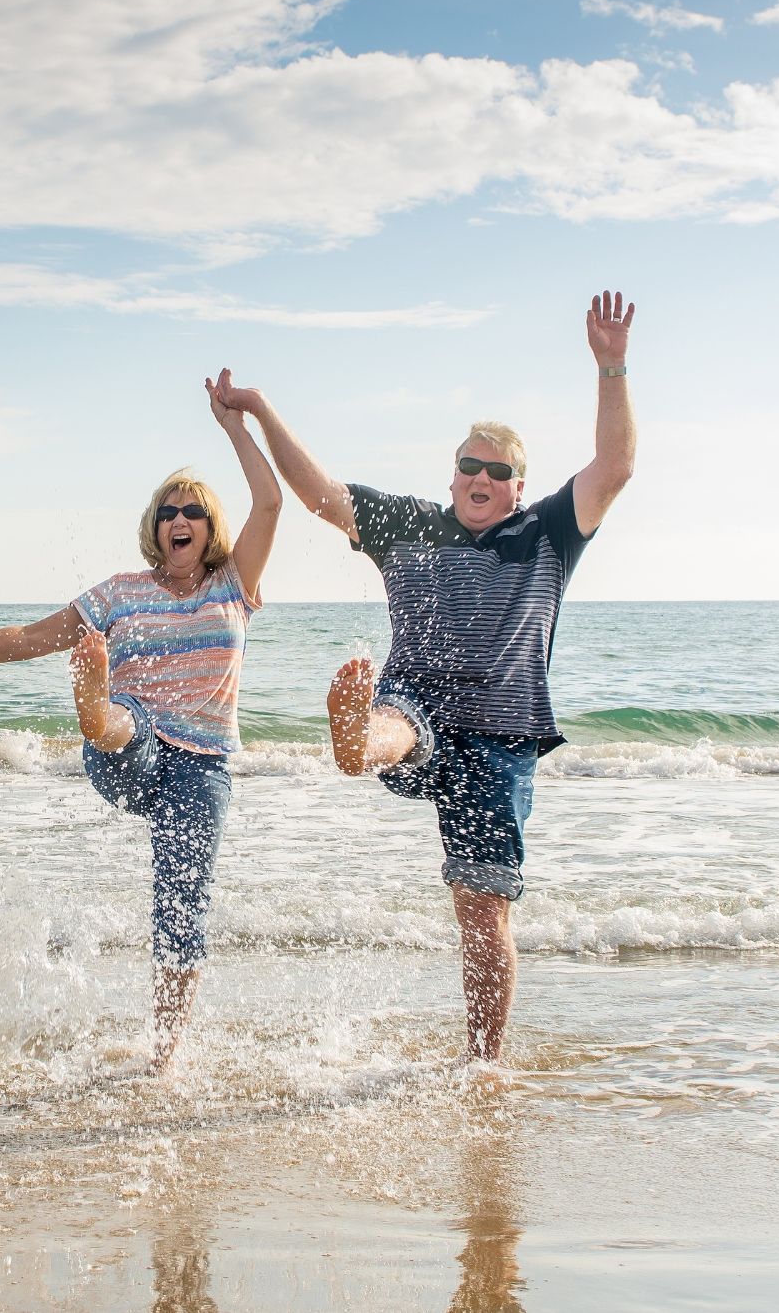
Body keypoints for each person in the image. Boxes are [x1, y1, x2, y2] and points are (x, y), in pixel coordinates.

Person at [212, 291, 637, 1063]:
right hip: (418, 702)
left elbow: (615, 468)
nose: (478, 475)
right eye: (466, 464)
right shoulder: (411, 524)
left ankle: (484, 1064)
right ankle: (356, 739)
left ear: (516, 485)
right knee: (400, 722)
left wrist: (611, 367)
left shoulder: (547, 533)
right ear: (451, 479)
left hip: (501, 739)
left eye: (494, 469)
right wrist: (261, 412)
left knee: (482, 911)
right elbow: (318, 497)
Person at [0, 379, 282, 1072]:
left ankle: (164, 1053)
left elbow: (270, 500)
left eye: (193, 512)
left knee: (183, 904)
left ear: (210, 527)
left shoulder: (234, 583)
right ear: (154, 527)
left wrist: (239, 423)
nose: (179, 520)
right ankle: (97, 711)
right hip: (131, 745)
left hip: (202, 768)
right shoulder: (119, 591)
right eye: (167, 511)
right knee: (127, 729)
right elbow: (27, 636)